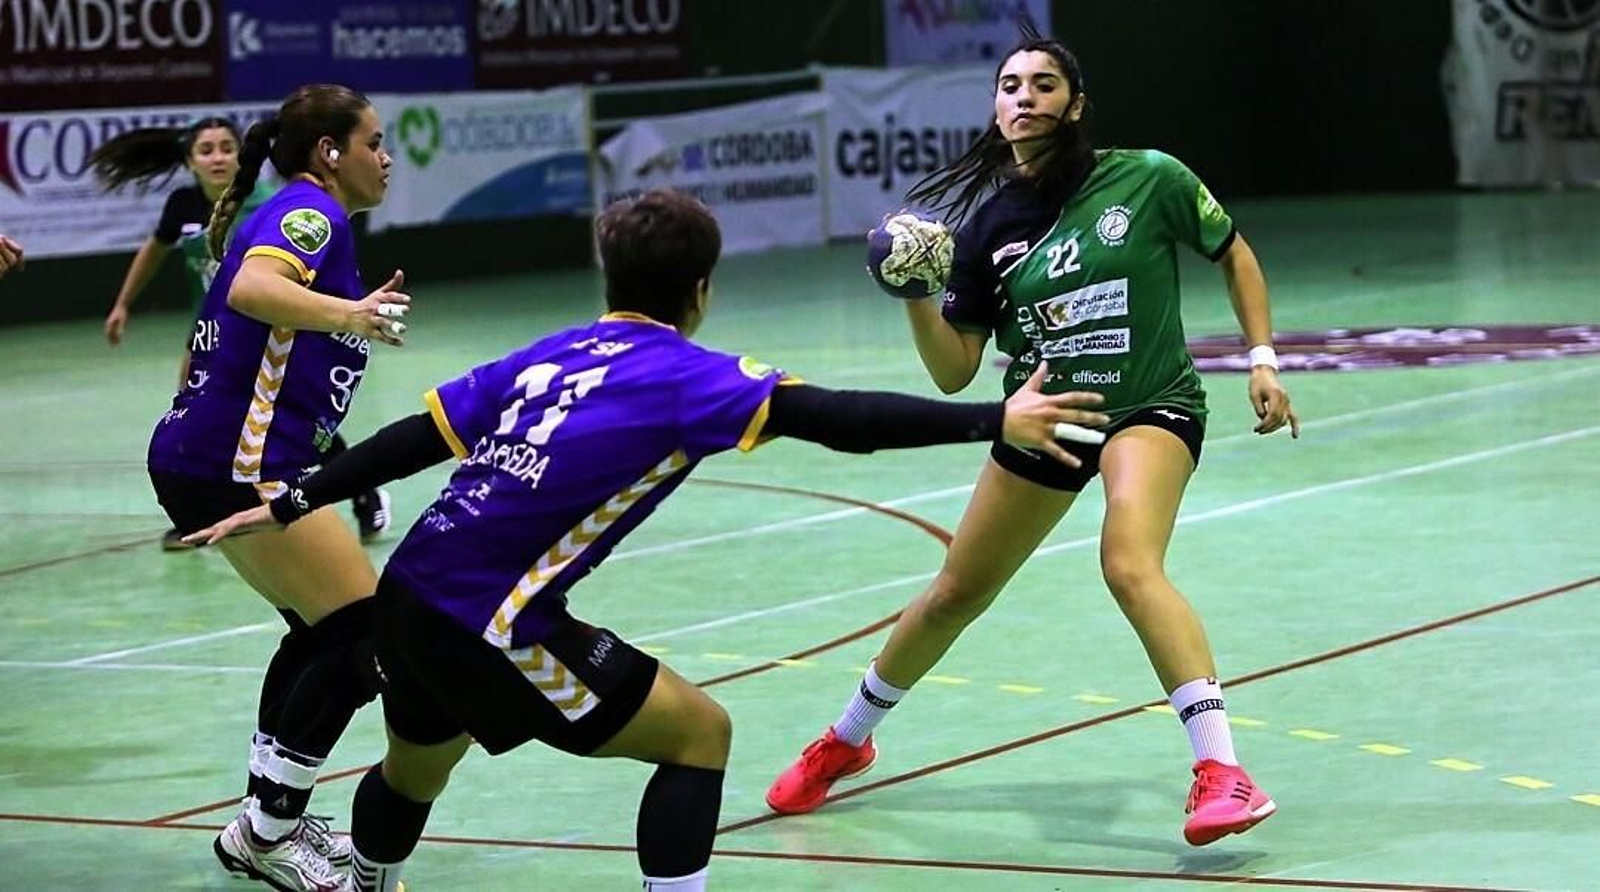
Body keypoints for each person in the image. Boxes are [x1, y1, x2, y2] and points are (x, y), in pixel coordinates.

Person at [182, 188, 1111, 892]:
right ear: (700, 292)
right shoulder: (690, 377)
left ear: (609, 280)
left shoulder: (548, 353)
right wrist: (996, 418)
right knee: (701, 737)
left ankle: (366, 884)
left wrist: (298, 494)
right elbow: (840, 418)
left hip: (410, 593)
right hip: (494, 621)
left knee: (417, 764)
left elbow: (415, 438)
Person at [766, 22, 1300, 847]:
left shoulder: (1147, 179)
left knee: (1127, 561)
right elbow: (953, 372)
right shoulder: (985, 231)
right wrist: (916, 292)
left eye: (1043, 84)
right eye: (1011, 86)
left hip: (1150, 402)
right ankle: (845, 740)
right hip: (1044, 418)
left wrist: (1262, 359)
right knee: (954, 593)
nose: (1025, 97)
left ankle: (1220, 770)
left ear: (1076, 103)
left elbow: (1234, 253)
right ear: (997, 108)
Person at [145, 84, 409, 892]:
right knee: (368, 637)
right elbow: (252, 290)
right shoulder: (310, 216)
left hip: (212, 457)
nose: (386, 155)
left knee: (317, 631)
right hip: (238, 464)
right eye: (372, 141)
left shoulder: (305, 215)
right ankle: (268, 833)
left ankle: (262, 821)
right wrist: (350, 315)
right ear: (330, 152)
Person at [92, 119, 392, 551]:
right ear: (189, 162)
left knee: (292, 418)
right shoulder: (183, 205)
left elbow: (264, 285)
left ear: (241, 155)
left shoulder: (276, 208)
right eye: (206, 150)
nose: (218, 158)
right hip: (216, 329)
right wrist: (122, 303)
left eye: (226, 148)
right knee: (200, 406)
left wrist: (346, 314)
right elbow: (153, 251)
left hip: (272, 332)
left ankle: (359, 490)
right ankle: (203, 509)